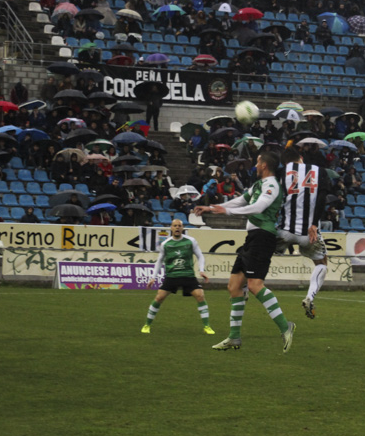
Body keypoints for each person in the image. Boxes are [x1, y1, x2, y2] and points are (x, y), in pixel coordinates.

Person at [194, 152, 295, 352]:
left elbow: (258, 207)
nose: (255, 165)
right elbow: (240, 201)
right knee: (234, 286)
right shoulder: (258, 185)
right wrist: (212, 208)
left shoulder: (272, 185)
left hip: (263, 237)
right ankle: (234, 338)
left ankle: (286, 326)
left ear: (264, 165)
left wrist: (227, 211)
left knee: (255, 285)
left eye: (258, 162)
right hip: (252, 238)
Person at [276, 147, 331, 319]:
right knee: (322, 263)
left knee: (261, 254)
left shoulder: (280, 172)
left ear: (285, 162)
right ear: (301, 158)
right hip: (309, 233)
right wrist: (314, 224)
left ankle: (247, 286)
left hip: (284, 230)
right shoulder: (319, 171)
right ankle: (310, 297)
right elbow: (323, 198)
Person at [141, 219, 213, 335]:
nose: (177, 228)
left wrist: (202, 270)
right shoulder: (166, 244)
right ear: (171, 228)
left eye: (179, 226)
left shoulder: (190, 241)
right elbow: (159, 261)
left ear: (182, 228)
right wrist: (153, 277)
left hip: (188, 275)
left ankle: (207, 326)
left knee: (200, 295)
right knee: (159, 298)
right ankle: (147, 325)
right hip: (172, 276)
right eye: (175, 226)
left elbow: (200, 256)